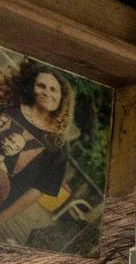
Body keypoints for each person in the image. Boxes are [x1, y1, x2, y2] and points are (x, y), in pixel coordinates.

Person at [0, 61, 78, 226]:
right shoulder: (9, 104)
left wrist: (3, 217)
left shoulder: (58, 144)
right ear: (31, 87)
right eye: (41, 86)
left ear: (62, 98)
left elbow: (38, 190)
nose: (46, 92)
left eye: (53, 89)